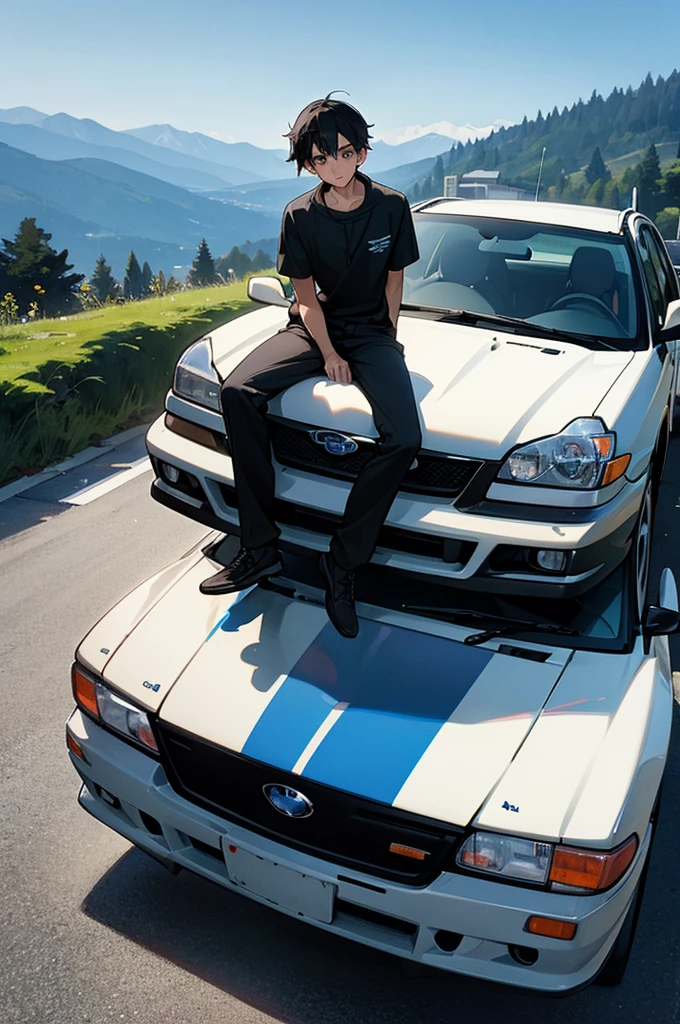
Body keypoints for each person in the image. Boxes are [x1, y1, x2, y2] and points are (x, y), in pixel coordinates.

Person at [199, 94, 422, 639]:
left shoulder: (392, 207)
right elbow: (305, 298)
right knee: (237, 392)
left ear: (363, 153)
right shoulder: (298, 214)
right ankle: (260, 546)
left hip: (371, 330)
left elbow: (395, 279)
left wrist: (385, 340)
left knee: (404, 438)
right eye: (321, 158)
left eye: (344, 153)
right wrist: (327, 354)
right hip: (314, 325)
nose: (335, 165)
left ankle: (342, 563)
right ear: (309, 162)